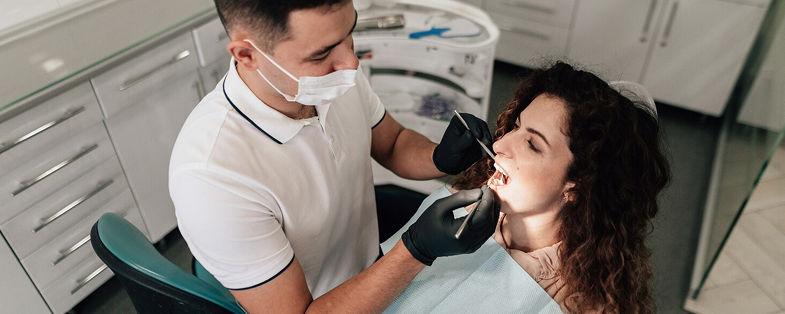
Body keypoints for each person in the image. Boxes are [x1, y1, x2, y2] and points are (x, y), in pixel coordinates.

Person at [168, 0, 499, 313]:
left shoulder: (330, 77)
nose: (351, 63)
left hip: (372, 266)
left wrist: (440, 157)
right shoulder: (211, 177)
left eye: (349, 33)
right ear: (247, 54)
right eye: (321, 53)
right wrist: (415, 251)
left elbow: (392, 143)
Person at [449, 61, 671, 313]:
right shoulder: (465, 202)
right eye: (516, 126)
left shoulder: (582, 304)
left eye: (532, 144)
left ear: (577, 185)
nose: (499, 145)